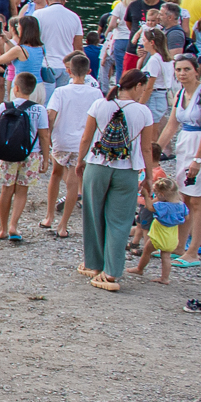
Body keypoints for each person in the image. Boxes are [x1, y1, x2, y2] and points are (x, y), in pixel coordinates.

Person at [78, 68, 159, 292]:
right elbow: (146, 148)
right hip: (127, 169)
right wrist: (149, 176)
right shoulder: (143, 112)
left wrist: (80, 161)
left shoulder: (100, 104)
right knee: (120, 221)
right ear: (137, 86)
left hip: (98, 165)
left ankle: (93, 264)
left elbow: (86, 137)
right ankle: (112, 271)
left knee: (93, 215)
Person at [159, 53, 201, 264]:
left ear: (196, 70)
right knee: (185, 198)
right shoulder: (180, 94)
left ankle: (194, 251)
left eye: (186, 69)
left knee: (199, 200)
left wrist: (198, 159)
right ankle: (180, 246)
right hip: (185, 145)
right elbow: (172, 125)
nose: (182, 73)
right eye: (178, 70)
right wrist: (154, 151)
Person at [42, 55, 102, 235]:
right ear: (89, 72)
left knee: (56, 174)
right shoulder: (96, 93)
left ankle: (49, 216)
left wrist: (48, 135)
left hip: (62, 140)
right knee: (73, 183)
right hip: (83, 143)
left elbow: (51, 115)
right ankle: (63, 225)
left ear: (68, 71)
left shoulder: (60, 92)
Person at [0, 73, 52, 241]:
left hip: (9, 154)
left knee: (6, 190)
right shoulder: (40, 109)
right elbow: (44, 136)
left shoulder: (4, 106)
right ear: (32, 90)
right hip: (31, 155)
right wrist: (45, 159)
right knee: (22, 191)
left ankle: (2, 228)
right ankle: (14, 226)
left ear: (15, 88)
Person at [132, 175, 188, 284]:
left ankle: (139, 269)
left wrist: (146, 197)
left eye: (156, 194)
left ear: (162, 195)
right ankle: (165, 278)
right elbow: (187, 217)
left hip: (159, 236)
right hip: (172, 237)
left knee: (146, 252)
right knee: (166, 257)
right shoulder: (181, 205)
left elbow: (150, 207)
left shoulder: (163, 206)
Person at [32, 0, 86, 84]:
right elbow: (78, 46)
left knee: (46, 98)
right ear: (63, 1)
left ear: (47, 0)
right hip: (67, 65)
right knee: (63, 97)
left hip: (45, 64)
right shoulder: (75, 17)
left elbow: (31, 40)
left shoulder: (38, 14)